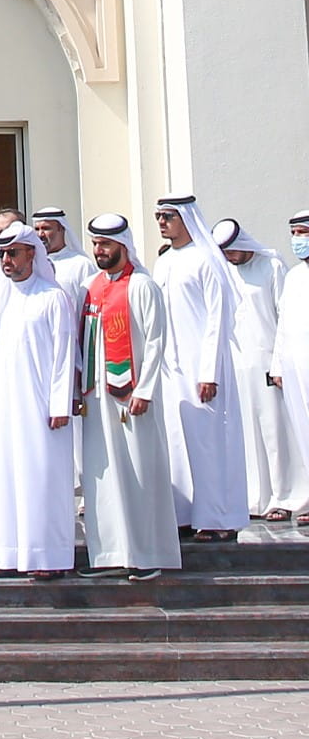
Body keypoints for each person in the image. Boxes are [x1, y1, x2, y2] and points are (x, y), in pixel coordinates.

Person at [77, 216, 181, 579]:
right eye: (95, 244)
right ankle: (110, 555)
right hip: (96, 398)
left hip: (131, 396)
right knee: (102, 477)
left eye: (106, 244)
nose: (99, 251)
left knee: (139, 473)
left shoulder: (142, 286)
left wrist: (145, 390)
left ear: (123, 245)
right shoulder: (91, 286)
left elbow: (155, 342)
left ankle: (147, 555)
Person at [0, 225, 78, 580]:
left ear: (32, 253)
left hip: (42, 408)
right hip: (2, 406)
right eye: (1, 254)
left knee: (42, 478)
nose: (6, 261)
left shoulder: (52, 296)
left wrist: (60, 403)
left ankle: (48, 557)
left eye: (13, 253)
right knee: (4, 478)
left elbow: (65, 355)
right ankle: (7, 553)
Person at [152, 195, 247, 542]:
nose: (162, 223)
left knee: (209, 442)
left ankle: (217, 517)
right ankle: (184, 513)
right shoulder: (163, 263)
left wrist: (209, 371)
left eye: (169, 217)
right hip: (170, 369)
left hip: (202, 368)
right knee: (176, 441)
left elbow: (216, 321)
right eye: (159, 216)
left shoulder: (206, 260)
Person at [215, 219, 309, 522]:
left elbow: (284, 317)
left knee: (276, 434)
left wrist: (278, 362)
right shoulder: (226, 272)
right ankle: (257, 498)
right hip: (240, 366)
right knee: (249, 437)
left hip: (270, 365)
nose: (230, 256)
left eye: (232, 250)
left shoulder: (273, 267)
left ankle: (285, 496)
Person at [277, 209, 309, 524]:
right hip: (295, 364)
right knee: (303, 431)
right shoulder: (293, 276)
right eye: (295, 234)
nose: (298, 240)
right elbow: (283, 324)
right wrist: (278, 365)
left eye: (304, 233)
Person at [31, 206, 98, 301]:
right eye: (37, 229)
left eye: (46, 228)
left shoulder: (81, 264)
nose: (40, 234)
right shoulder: (31, 264)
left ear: (61, 229)